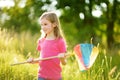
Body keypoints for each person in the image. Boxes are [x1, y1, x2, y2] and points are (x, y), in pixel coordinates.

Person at [28, 11, 67, 80]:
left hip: (55, 77)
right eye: (41, 25)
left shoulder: (60, 41)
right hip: (41, 76)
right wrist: (33, 61)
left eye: (45, 24)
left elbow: (64, 63)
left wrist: (62, 58)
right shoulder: (41, 40)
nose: (43, 27)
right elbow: (42, 59)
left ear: (54, 24)